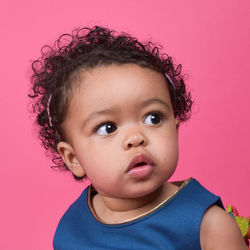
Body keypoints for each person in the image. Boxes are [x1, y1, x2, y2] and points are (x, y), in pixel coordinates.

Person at [29, 26, 247, 249]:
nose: (135, 138)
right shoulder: (72, 229)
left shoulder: (208, 225)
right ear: (73, 158)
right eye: (108, 127)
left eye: (153, 118)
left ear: (175, 130)